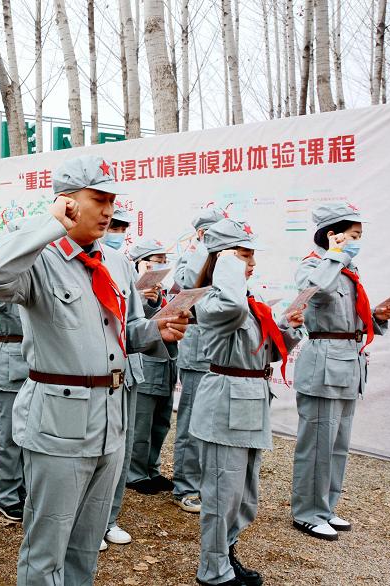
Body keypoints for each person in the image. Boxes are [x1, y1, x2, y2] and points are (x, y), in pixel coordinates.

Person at [0, 155, 188, 585]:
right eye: (99, 199)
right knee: (47, 544)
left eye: (112, 200)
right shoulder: (40, 259)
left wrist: (155, 330)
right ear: (68, 202)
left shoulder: (115, 263)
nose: (109, 210)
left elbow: (123, 331)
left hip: (111, 417)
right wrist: (47, 223)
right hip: (58, 420)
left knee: (87, 541)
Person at [189, 218, 305, 586]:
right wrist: (227, 266)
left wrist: (290, 327)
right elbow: (232, 309)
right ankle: (213, 570)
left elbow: (266, 352)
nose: (251, 263)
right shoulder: (214, 300)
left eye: (252, 255)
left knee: (244, 496)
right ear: (221, 260)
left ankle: (227, 554)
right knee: (223, 495)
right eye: (242, 255)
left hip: (251, 401)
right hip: (225, 404)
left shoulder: (248, 302)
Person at [291, 202, 390, 541]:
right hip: (323, 365)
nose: (356, 242)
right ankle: (307, 512)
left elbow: (349, 319)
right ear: (332, 235)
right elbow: (314, 293)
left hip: (349, 363)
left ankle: (326, 507)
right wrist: (334, 257)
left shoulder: (349, 270)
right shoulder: (314, 265)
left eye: (359, 236)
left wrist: (377, 316)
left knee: (337, 444)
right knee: (318, 444)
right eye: (352, 236)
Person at [172, 207, 227, 514]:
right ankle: (186, 486)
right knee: (192, 423)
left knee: (212, 424)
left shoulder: (227, 263)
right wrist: (203, 247)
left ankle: (205, 482)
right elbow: (191, 284)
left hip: (221, 352)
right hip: (197, 353)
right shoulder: (190, 259)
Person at [100, 207, 143, 548]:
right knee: (92, 454)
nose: (115, 230)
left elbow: (134, 324)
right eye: (113, 224)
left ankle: (109, 518)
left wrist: (159, 326)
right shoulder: (59, 260)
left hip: (125, 371)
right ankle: (87, 523)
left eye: (121, 226)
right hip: (92, 377)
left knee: (121, 451)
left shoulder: (122, 264)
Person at [126, 237, 178, 495]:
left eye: (164, 261)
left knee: (161, 422)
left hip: (167, 364)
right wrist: (143, 299)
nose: (161, 266)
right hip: (146, 365)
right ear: (140, 264)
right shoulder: (130, 292)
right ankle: (135, 473)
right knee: (141, 423)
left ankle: (152, 469)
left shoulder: (163, 292)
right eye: (156, 262)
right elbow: (135, 326)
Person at [0, 217, 28, 523]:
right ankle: (6, 493)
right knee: (8, 434)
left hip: (35, 359)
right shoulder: (0, 274)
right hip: (10, 357)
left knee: (30, 432)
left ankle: (24, 488)